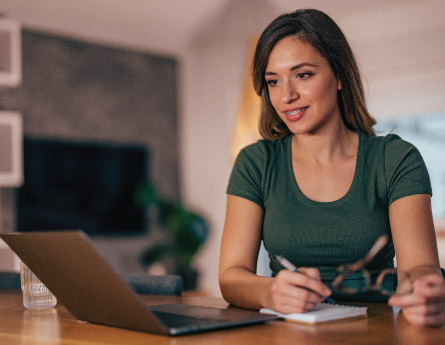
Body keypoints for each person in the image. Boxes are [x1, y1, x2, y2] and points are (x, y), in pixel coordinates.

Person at [219, 8, 445, 327]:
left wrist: (423, 290)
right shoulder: (255, 163)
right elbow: (231, 276)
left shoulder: (395, 158)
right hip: (288, 330)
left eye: (303, 74)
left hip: (378, 329)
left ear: (339, 76)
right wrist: (270, 292)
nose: (287, 96)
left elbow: (419, 268)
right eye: (273, 81)